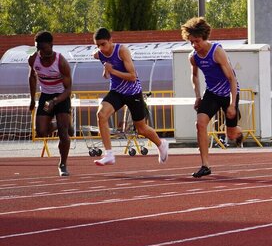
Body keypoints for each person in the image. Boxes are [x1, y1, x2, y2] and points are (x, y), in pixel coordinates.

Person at [91, 28, 169, 166]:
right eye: (98, 45)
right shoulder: (99, 54)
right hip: (116, 91)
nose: (101, 48)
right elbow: (105, 73)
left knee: (141, 128)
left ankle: (161, 143)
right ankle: (109, 154)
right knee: (101, 115)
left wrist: (112, 70)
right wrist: (106, 70)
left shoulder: (122, 51)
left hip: (133, 92)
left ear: (111, 40)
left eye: (103, 44)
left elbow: (132, 77)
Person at [181, 16, 241, 178]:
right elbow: (194, 76)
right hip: (212, 93)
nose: (195, 45)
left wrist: (232, 104)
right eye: (191, 42)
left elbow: (232, 79)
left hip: (228, 92)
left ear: (204, 37)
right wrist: (198, 96)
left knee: (231, 135)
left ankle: (238, 131)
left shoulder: (217, 52)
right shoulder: (193, 57)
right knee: (200, 123)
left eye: (197, 41)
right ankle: (205, 165)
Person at [27, 31, 74, 177]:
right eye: (38, 49)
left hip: (61, 97)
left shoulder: (61, 62)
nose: (41, 52)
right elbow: (32, 77)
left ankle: (63, 164)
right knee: (41, 131)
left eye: (44, 49)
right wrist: (32, 99)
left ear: (51, 45)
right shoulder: (33, 59)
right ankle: (60, 126)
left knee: (63, 134)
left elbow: (69, 89)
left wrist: (55, 101)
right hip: (46, 96)